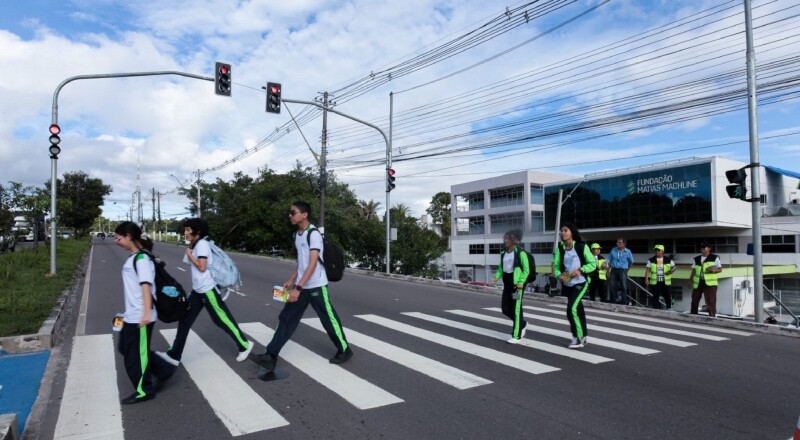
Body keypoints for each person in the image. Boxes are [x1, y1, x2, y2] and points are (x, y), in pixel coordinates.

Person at [250, 201, 352, 372]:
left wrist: (298, 288)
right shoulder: (297, 235)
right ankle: (270, 355)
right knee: (286, 318)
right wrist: (292, 280)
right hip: (302, 285)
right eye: (290, 213)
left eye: (293, 212)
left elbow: (312, 264)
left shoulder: (314, 235)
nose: (290, 215)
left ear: (304, 214)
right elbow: (302, 263)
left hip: (316, 286)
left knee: (328, 319)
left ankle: (344, 349)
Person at [157, 218, 253, 366]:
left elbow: (202, 267)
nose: (185, 233)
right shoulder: (196, 245)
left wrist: (189, 255)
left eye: (188, 230)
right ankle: (174, 353)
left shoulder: (201, 245)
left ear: (198, 231)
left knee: (221, 319)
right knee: (185, 320)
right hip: (197, 291)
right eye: (186, 230)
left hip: (208, 290)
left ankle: (245, 345)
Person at [113, 221, 176, 404]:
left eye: (118, 238)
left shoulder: (141, 259)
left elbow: (146, 285)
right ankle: (163, 369)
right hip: (131, 314)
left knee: (135, 357)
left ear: (128, 236)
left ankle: (144, 391)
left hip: (141, 315)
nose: (116, 241)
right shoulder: (134, 257)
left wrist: (146, 313)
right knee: (126, 348)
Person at [552, 223, 596, 349]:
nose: (562, 233)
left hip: (581, 282)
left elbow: (593, 264)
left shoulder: (582, 247)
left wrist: (581, 270)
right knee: (578, 310)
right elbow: (556, 267)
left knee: (571, 309)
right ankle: (583, 336)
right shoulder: (560, 249)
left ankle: (578, 337)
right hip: (568, 284)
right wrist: (559, 275)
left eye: (565, 230)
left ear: (572, 233)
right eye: (561, 231)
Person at [491, 229, 531, 344]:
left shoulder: (520, 253)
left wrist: (521, 282)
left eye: (509, 238)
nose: (506, 240)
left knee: (516, 309)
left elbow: (526, 270)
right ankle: (522, 323)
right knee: (505, 309)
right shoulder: (503, 252)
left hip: (516, 287)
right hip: (507, 285)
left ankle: (516, 335)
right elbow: (500, 268)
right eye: (506, 238)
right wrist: (496, 277)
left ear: (516, 240)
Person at [690, 242, 722, 317]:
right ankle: (693, 315)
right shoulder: (697, 258)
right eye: (701, 247)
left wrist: (713, 271)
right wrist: (690, 280)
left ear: (709, 248)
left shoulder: (714, 257)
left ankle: (712, 316)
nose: (702, 249)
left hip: (710, 283)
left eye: (704, 247)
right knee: (694, 299)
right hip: (698, 282)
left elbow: (720, 269)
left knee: (711, 300)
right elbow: (693, 270)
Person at [644, 244, 676, 310]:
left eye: (658, 250)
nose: (657, 251)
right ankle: (655, 308)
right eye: (655, 250)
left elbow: (674, 267)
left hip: (665, 281)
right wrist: (646, 279)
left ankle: (669, 308)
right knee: (655, 296)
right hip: (655, 281)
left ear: (662, 251)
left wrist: (669, 272)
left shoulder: (668, 259)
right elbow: (647, 270)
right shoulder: (651, 260)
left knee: (667, 295)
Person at [607, 237, 634, 304]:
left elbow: (631, 262)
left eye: (619, 242)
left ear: (624, 244)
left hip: (623, 270)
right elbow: (608, 259)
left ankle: (624, 302)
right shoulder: (613, 250)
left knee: (624, 287)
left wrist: (627, 270)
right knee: (612, 286)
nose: (617, 244)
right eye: (617, 242)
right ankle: (613, 302)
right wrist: (607, 267)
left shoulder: (628, 251)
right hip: (613, 270)